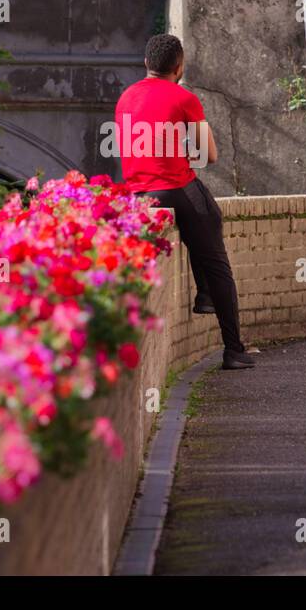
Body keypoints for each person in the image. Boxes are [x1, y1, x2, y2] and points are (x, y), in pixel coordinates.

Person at [114, 35, 254, 370]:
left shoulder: (125, 97)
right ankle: (233, 348)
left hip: (138, 195)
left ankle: (205, 295)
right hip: (175, 188)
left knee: (207, 216)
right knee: (216, 254)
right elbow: (211, 154)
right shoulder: (184, 97)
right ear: (179, 66)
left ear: (147, 64)